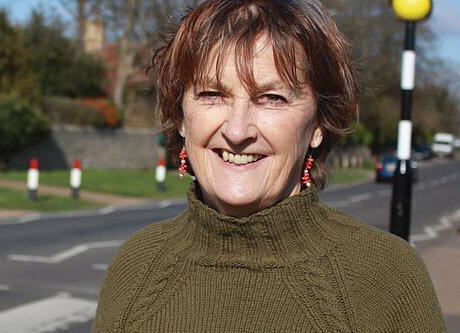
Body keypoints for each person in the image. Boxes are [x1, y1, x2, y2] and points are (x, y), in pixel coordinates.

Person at [93, 0, 446, 331]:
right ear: (181, 116)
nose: (237, 130)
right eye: (212, 95)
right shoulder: (135, 266)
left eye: (271, 98)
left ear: (319, 124)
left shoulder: (388, 277)